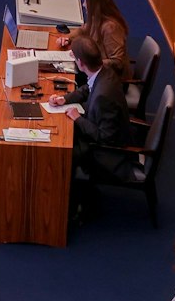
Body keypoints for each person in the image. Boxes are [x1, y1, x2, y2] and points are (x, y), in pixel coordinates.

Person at [51, 33, 131, 194]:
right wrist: (64, 99)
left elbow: (105, 137)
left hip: (108, 152)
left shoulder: (103, 96)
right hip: (99, 126)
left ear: (80, 63)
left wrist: (78, 118)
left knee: (63, 152)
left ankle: (69, 198)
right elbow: (87, 88)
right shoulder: (103, 70)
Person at [79, 0, 131, 76]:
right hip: (99, 72)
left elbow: (117, 62)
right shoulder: (97, 19)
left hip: (113, 80)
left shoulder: (111, 28)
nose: (83, 5)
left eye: (86, 2)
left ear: (94, 6)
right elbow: (83, 29)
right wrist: (68, 38)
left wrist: (90, 64)